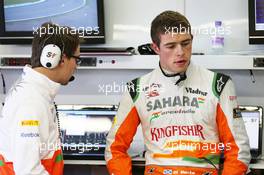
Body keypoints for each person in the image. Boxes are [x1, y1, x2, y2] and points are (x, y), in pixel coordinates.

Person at [105, 11, 251, 175]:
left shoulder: (219, 84)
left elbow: (239, 150)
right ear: (155, 48)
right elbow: (114, 147)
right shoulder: (137, 88)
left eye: (185, 43)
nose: (180, 52)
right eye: (171, 46)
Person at [0, 22, 80, 175]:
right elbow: (28, 171)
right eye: (77, 59)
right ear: (60, 59)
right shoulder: (31, 101)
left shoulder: (35, 93)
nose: (76, 66)